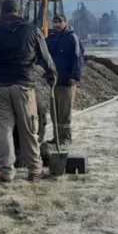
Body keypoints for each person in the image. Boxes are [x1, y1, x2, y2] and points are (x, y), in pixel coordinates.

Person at [0, 0, 57, 182]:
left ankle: (6, 172)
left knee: (3, 129)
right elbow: (45, 56)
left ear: (2, 12)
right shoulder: (32, 30)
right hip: (23, 85)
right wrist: (52, 73)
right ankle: (34, 170)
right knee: (28, 128)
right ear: (17, 11)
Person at [45, 15, 84, 147]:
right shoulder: (51, 39)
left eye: (59, 22)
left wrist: (75, 76)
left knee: (64, 112)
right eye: (54, 22)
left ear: (65, 23)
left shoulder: (72, 38)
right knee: (54, 112)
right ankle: (56, 137)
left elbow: (77, 58)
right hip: (54, 82)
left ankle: (65, 138)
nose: (56, 25)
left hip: (67, 82)